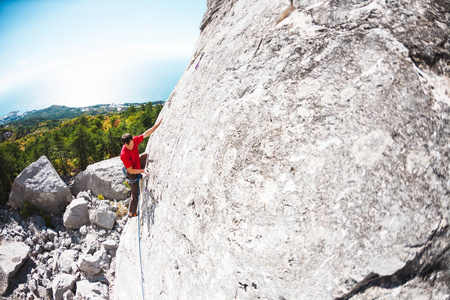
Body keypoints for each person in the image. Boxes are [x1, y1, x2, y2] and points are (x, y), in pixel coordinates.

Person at [120, 119, 162, 218]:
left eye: (132, 143)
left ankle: (142, 171)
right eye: (129, 145)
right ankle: (131, 213)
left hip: (137, 164)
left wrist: (157, 125)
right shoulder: (124, 154)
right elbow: (130, 170)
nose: (132, 146)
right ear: (125, 144)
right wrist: (142, 171)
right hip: (132, 173)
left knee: (145, 155)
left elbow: (146, 134)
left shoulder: (134, 140)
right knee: (135, 194)